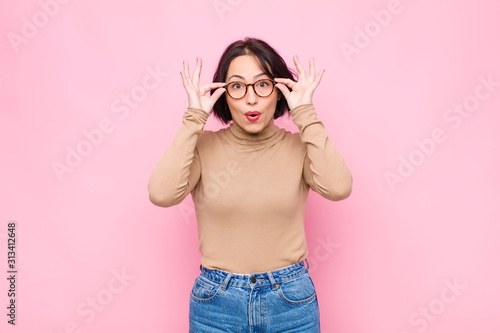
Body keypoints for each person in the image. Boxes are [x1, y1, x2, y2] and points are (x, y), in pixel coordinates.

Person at [148, 37, 353, 332]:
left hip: (290, 301)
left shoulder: (299, 148)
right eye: (237, 86)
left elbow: (339, 187)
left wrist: (305, 113)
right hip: (217, 304)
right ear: (223, 95)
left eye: (262, 84)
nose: (251, 99)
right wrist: (194, 119)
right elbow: (161, 194)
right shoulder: (203, 148)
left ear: (279, 91)